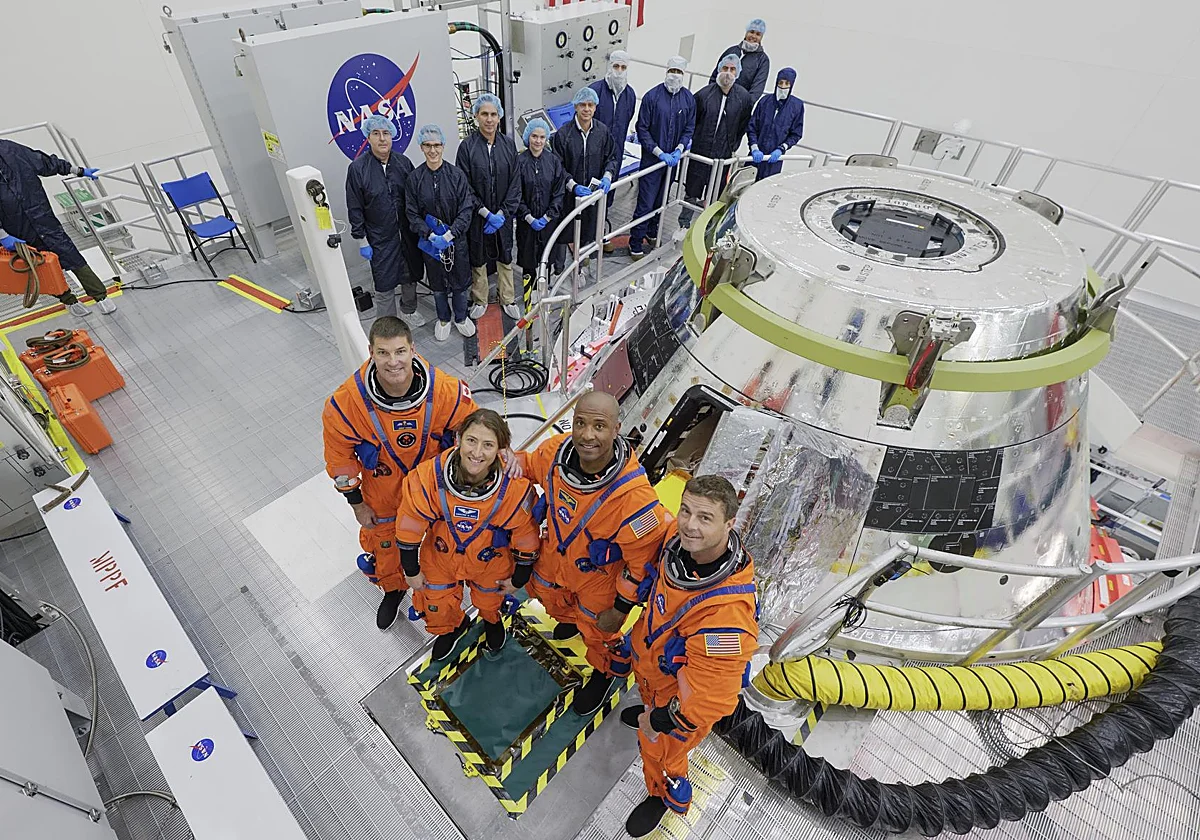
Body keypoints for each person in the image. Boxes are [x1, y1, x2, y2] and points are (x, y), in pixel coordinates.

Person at [511, 392, 670, 717]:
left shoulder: (635, 499)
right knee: (550, 597)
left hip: (599, 582)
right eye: (580, 423)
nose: (587, 435)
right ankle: (569, 621)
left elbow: (640, 567)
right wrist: (497, 458)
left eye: (599, 426)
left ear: (616, 429)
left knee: (599, 632)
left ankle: (604, 672)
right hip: (555, 560)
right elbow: (527, 465)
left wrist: (620, 608)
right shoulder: (556, 455)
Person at [621, 475, 758, 837]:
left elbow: (713, 698)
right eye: (686, 511)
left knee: (661, 751)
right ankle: (649, 714)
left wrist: (663, 720)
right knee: (649, 713)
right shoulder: (676, 547)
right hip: (653, 676)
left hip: (678, 708)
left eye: (705, 518)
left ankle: (663, 790)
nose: (689, 525)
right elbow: (643, 511)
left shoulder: (727, 616)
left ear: (730, 524)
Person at [322, 316, 478, 630]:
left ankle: (441, 604)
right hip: (383, 495)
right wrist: (356, 503)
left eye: (400, 352)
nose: (393, 362)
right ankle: (393, 589)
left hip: (433, 491)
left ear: (412, 350)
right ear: (371, 352)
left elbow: (474, 431)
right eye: (383, 353)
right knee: (385, 545)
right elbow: (340, 460)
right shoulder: (345, 404)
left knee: (440, 547)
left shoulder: (445, 391)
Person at [396, 409, 540, 660]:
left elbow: (526, 538)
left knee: (490, 600)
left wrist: (518, 579)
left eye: (488, 445)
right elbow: (409, 527)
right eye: (471, 441)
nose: (476, 453)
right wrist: (411, 570)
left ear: (501, 450)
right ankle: (450, 628)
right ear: (458, 439)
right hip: (441, 556)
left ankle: (492, 621)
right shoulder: (430, 477)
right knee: (436, 604)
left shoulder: (515, 489)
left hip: (489, 561)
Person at [0, 140, 116, 315]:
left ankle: (101, 296)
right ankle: (69, 301)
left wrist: (77, 170)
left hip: (41, 216)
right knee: (40, 264)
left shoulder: (10, 149)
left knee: (70, 255)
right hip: (15, 228)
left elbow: (44, 162)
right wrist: (2, 235)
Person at [345, 115, 426, 327]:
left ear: (392, 137)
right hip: (380, 238)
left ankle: (408, 310)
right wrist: (361, 239)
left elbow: (416, 197)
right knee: (384, 283)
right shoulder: (358, 169)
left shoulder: (403, 163)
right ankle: (388, 324)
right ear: (368, 138)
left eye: (386, 133)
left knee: (410, 276)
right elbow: (355, 207)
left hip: (407, 233)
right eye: (376, 134)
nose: (382, 139)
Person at [405, 125, 477, 341]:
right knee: (437, 284)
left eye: (437, 145)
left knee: (460, 283)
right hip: (432, 244)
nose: (433, 150)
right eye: (428, 146)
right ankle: (444, 318)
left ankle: (462, 317)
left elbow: (466, 208)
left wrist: (450, 234)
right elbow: (411, 212)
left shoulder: (456, 175)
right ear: (421, 147)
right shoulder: (415, 179)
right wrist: (430, 235)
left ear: (443, 146)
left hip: (457, 242)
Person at [456, 94, 522, 321]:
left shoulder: (508, 145)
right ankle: (480, 298)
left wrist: (502, 214)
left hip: (502, 217)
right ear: (476, 116)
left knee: (505, 256)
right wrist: (485, 213)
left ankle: (508, 297)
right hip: (478, 217)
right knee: (479, 258)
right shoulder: (466, 148)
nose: (489, 119)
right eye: (484, 114)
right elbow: (464, 186)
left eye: (493, 114)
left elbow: (515, 184)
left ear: (500, 117)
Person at [629, 56, 696, 260]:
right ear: (666, 71)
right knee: (646, 202)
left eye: (679, 72)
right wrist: (657, 151)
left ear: (684, 74)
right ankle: (635, 242)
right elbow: (642, 128)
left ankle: (652, 231)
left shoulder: (688, 99)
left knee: (661, 200)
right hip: (652, 160)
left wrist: (679, 148)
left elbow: (689, 127)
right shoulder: (652, 97)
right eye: (672, 71)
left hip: (671, 162)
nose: (675, 75)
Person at [678, 54, 753, 229]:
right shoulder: (704, 95)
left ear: (738, 72)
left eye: (732, 69)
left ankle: (709, 226)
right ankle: (683, 224)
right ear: (718, 70)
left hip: (723, 155)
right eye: (725, 68)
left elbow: (743, 124)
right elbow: (692, 122)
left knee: (717, 193)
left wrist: (732, 146)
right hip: (700, 152)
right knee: (692, 190)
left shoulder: (743, 98)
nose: (728, 73)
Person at [549, 88, 620, 273]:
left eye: (590, 105)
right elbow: (558, 167)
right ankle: (558, 270)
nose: (586, 109)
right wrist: (572, 185)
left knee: (588, 229)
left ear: (595, 108)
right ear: (575, 107)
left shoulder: (602, 132)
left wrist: (607, 176)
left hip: (592, 196)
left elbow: (612, 157)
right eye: (583, 105)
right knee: (564, 234)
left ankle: (581, 266)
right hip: (568, 195)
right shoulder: (563, 135)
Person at [589, 49, 637, 251]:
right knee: (591, 199)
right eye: (616, 66)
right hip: (593, 156)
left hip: (615, 156)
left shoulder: (630, 95)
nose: (619, 71)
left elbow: (626, 121)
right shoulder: (595, 91)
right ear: (609, 67)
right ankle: (587, 237)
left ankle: (600, 235)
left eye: (623, 67)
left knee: (607, 198)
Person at [514, 119, 566, 296]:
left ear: (547, 139)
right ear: (528, 137)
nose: (538, 141)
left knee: (546, 258)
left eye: (542, 137)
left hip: (548, 223)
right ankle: (530, 294)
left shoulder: (553, 162)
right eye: (534, 136)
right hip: (526, 224)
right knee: (528, 261)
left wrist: (548, 217)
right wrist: (527, 216)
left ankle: (544, 290)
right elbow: (515, 194)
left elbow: (559, 193)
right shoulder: (519, 162)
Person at [747, 68, 805, 182]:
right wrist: (754, 147)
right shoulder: (765, 102)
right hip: (754, 158)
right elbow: (752, 127)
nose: (783, 86)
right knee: (743, 189)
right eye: (781, 82)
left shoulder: (796, 106)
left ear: (792, 84)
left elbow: (796, 134)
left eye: (787, 83)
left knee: (764, 190)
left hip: (773, 162)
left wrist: (782, 148)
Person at [708, 18, 771, 100]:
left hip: (739, 103)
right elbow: (715, 74)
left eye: (758, 34)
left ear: (762, 37)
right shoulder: (731, 51)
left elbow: (757, 89)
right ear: (746, 32)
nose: (753, 36)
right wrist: (711, 95)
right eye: (751, 32)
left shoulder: (762, 60)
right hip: (717, 98)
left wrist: (745, 106)